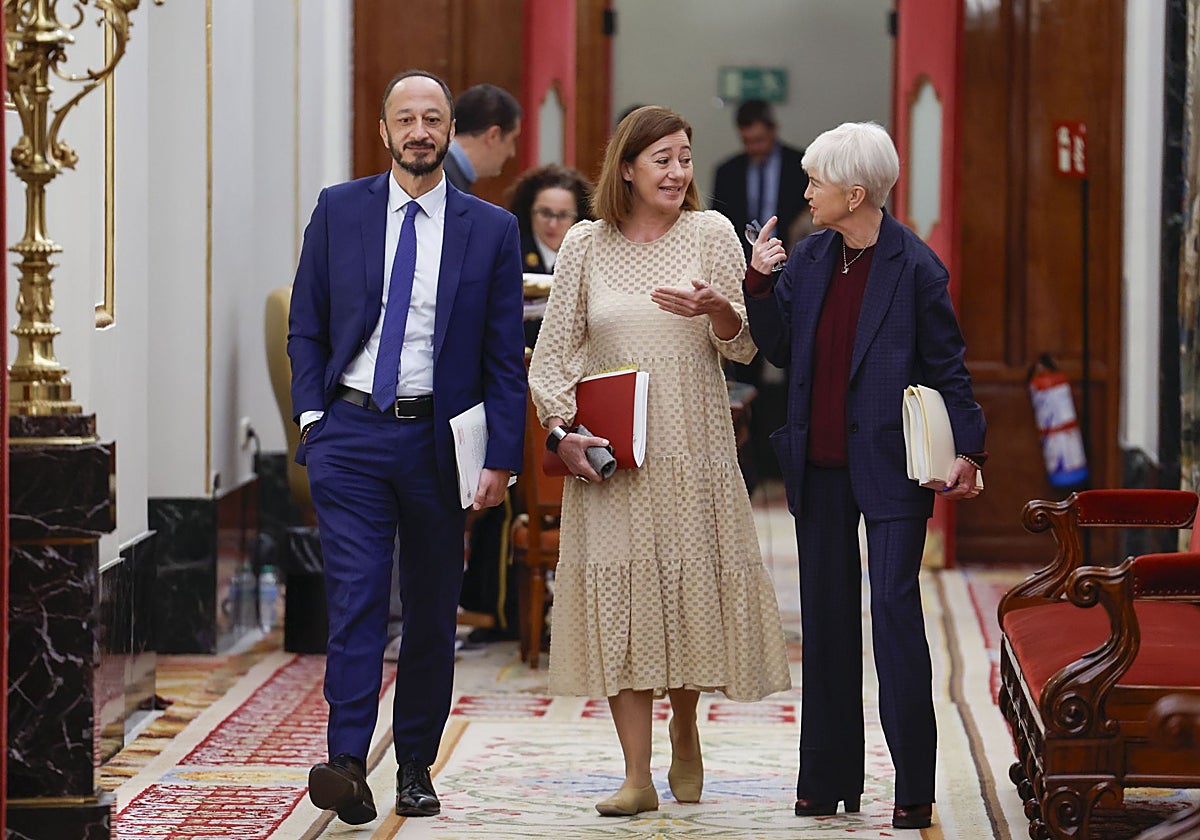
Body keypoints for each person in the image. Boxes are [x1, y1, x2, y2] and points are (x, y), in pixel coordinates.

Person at [528, 105, 791, 818]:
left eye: (685, 157)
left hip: (693, 449)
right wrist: (561, 430)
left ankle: (685, 729)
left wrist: (716, 309)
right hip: (617, 457)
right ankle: (636, 774)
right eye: (663, 160)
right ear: (628, 168)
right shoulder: (584, 244)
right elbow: (552, 357)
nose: (678, 172)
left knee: (685, 591)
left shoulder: (709, 235)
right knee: (621, 599)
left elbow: (744, 347)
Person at [288, 69, 526, 824]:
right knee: (356, 600)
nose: (419, 130)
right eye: (406, 118)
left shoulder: (490, 230)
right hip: (351, 434)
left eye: (434, 118)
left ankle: (415, 764)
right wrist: (312, 421)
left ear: (451, 132)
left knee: (430, 608)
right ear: (383, 132)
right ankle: (348, 762)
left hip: (438, 440)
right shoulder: (338, 211)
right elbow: (307, 322)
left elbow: (501, 355)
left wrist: (501, 457)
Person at [742, 121, 986, 831]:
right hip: (818, 470)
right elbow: (780, 347)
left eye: (816, 181)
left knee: (895, 618)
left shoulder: (915, 268)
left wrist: (969, 453)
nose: (806, 191)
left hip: (891, 469)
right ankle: (826, 778)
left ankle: (913, 786)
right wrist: (759, 280)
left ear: (855, 193)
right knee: (825, 624)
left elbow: (948, 369)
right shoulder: (811, 257)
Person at [457, 164, 593, 643]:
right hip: (519, 393)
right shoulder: (513, 254)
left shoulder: (590, 255)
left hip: (579, 398)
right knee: (504, 497)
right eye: (544, 213)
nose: (553, 223)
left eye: (563, 214)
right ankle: (499, 611)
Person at [711, 99, 808, 261]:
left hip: (791, 256)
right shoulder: (727, 172)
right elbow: (718, 222)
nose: (754, 148)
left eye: (759, 140)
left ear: (773, 129)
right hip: (743, 260)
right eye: (747, 141)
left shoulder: (800, 166)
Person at [443, 83, 523, 194]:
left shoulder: (444, 171)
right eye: (512, 139)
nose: (512, 153)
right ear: (493, 136)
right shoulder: (445, 181)